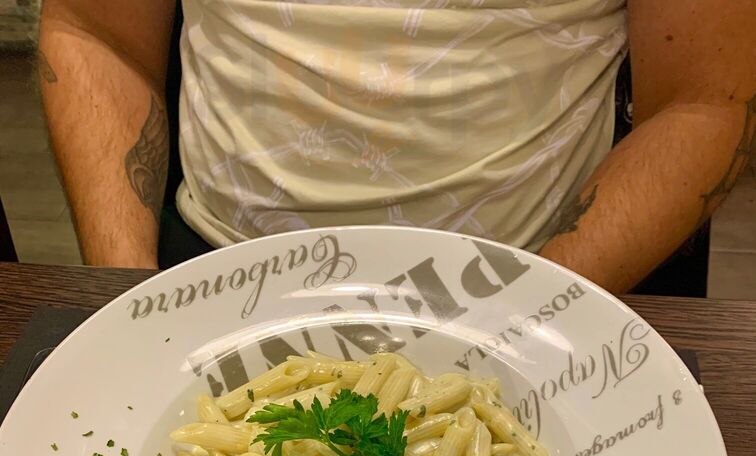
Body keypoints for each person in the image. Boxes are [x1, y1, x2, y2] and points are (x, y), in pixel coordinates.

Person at [39, 1, 754, 294]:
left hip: (536, 275)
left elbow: (705, 100)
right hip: (210, 262)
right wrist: (128, 296)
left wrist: (525, 312)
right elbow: (94, 31)